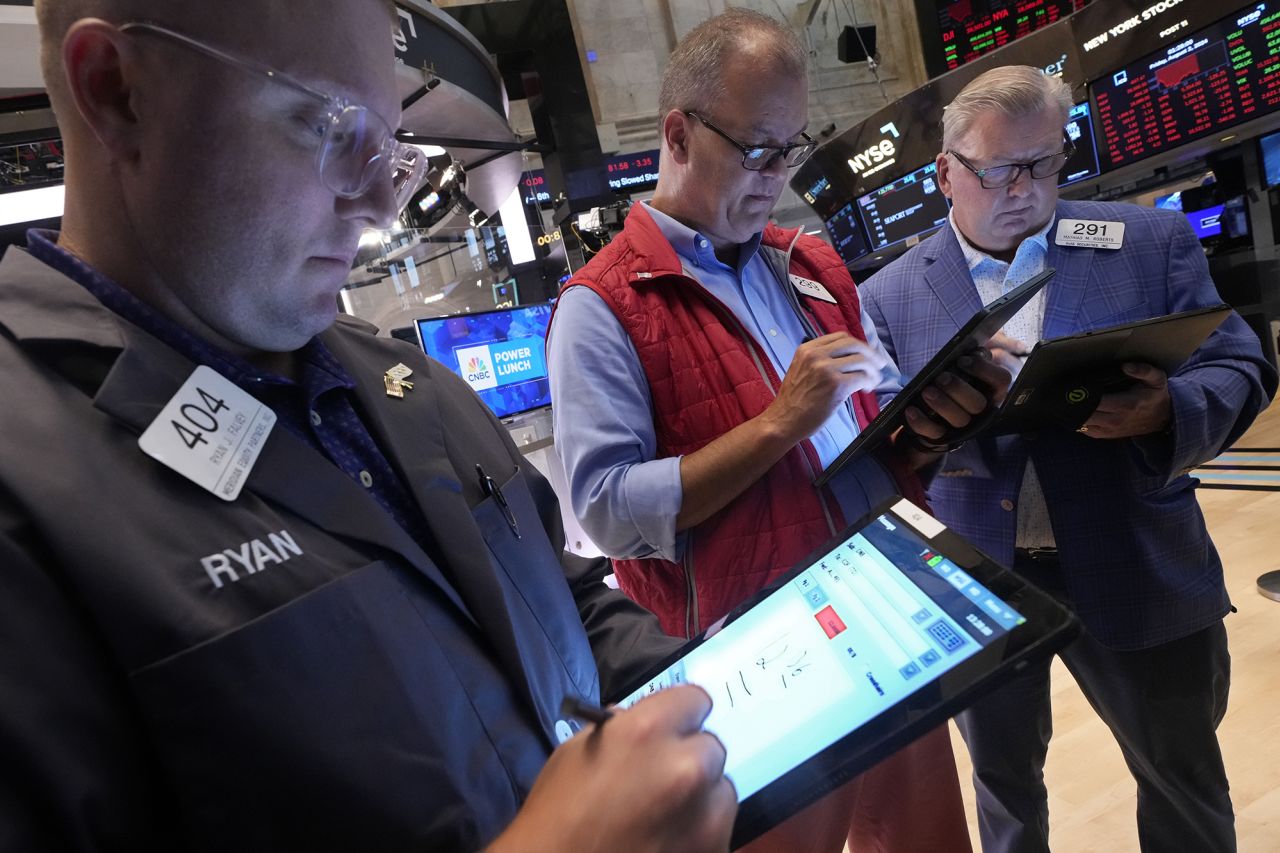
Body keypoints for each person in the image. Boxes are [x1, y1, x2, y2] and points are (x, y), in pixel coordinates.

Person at [0, 1, 739, 850]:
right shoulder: (24, 492)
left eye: (389, 147)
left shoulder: (404, 382)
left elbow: (563, 605)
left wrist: (715, 692)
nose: (381, 206)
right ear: (116, 89)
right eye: (326, 124)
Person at [547, 9, 1010, 852]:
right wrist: (778, 423)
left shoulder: (812, 264)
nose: (775, 176)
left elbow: (874, 428)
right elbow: (608, 510)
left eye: (792, 149)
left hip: (879, 613)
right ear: (678, 134)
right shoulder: (600, 306)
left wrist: (940, 416)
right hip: (755, 668)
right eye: (757, 149)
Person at [859, 65, 1278, 852]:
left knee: (1182, 780)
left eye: (1045, 163)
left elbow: (1241, 367)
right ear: (946, 173)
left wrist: (1168, 411)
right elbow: (882, 447)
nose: (1024, 188)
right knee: (1006, 792)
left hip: (1138, 556)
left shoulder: (1145, 240)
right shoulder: (888, 296)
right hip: (982, 573)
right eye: (998, 170)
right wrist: (926, 431)